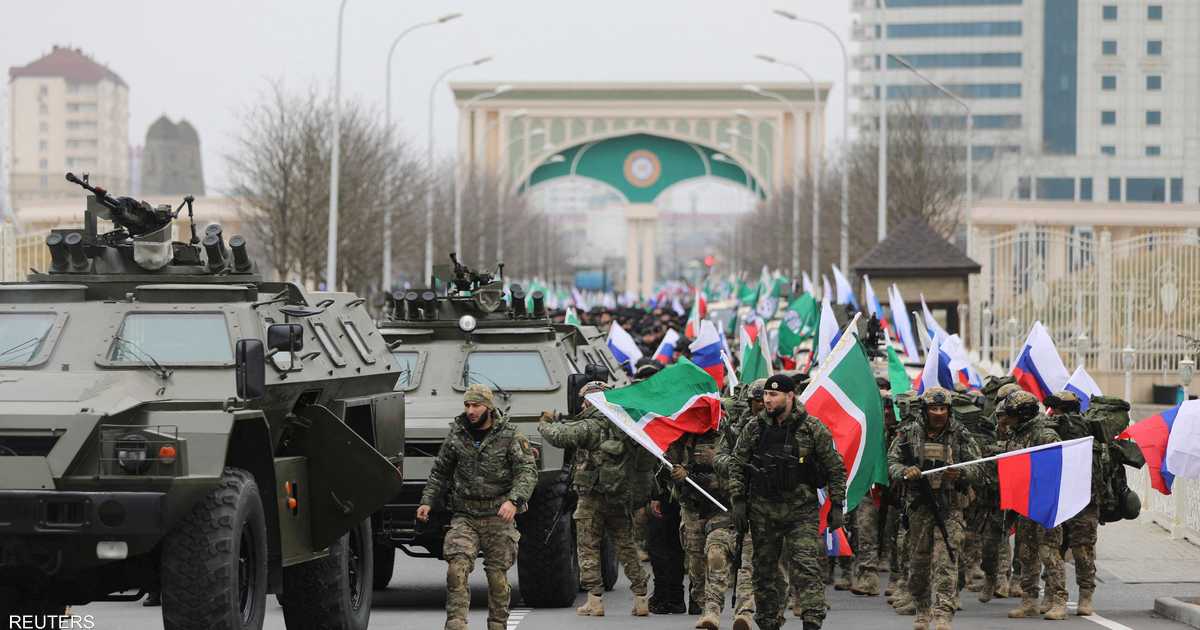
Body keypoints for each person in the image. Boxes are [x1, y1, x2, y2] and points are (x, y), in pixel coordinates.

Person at [728, 374, 846, 630]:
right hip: (762, 510)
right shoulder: (755, 427)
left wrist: (837, 504)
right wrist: (737, 499)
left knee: (806, 566)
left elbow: (835, 468)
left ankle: (812, 620)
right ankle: (769, 621)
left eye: (774, 395)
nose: (767, 400)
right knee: (764, 571)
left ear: (790, 396)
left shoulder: (812, 428)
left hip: (800, 511)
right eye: (766, 395)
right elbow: (737, 464)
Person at [417, 384, 538, 630]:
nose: (470, 411)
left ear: (489, 407)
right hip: (465, 515)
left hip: (498, 516)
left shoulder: (511, 435)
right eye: (467, 405)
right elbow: (440, 472)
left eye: (476, 405)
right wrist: (427, 501)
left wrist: (514, 501)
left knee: (496, 577)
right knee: (456, 568)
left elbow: (527, 472)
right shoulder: (457, 434)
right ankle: (456, 624)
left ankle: (497, 624)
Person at [538, 381, 654, 617]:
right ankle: (641, 598)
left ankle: (594, 600)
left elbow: (560, 436)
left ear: (591, 400)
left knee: (588, 545)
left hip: (592, 497)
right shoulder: (623, 423)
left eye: (584, 400)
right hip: (619, 495)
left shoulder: (591, 425)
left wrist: (544, 423)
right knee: (626, 545)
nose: (582, 404)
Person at [887, 387, 982, 630]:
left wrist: (959, 472)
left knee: (946, 560)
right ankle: (922, 609)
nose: (938, 413)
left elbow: (979, 468)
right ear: (925, 409)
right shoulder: (909, 433)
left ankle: (942, 613)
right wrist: (905, 472)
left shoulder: (960, 434)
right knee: (918, 562)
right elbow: (892, 462)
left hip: (949, 507)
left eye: (942, 409)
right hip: (919, 507)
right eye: (933, 409)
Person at [999, 390, 1068, 621]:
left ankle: (1059, 600)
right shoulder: (1017, 433)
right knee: (1026, 553)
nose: (1007, 419)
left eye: (1011, 414)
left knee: (1049, 553)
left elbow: (1055, 469)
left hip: (1045, 504)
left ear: (1024, 413)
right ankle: (1029, 600)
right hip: (1024, 503)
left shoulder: (1046, 435)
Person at [1044, 390, 1099, 616]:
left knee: (1081, 549)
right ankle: (1052, 594)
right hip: (1059, 497)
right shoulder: (1051, 429)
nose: (1051, 412)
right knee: (1053, 548)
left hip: (1084, 499)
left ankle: (1085, 596)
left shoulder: (1082, 428)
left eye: (1055, 408)